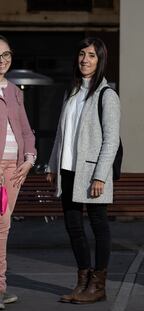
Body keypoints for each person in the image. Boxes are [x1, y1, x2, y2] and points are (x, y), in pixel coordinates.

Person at [46, 37, 120, 304]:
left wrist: (101, 175)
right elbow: (60, 134)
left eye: (91, 55)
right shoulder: (72, 92)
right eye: (82, 54)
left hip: (92, 173)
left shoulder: (107, 95)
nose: (85, 60)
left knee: (99, 225)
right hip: (68, 170)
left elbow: (111, 139)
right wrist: (53, 164)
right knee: (74, 226)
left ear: (100, 61)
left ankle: (98, 286)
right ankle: (83, 281)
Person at [0, 35, 36, 310]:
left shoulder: (14, 90)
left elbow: (25, 129)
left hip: (15, 169)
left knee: (3, 226)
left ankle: (0, 287)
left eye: (7, 54)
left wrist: (30, 158)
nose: (3, 60)